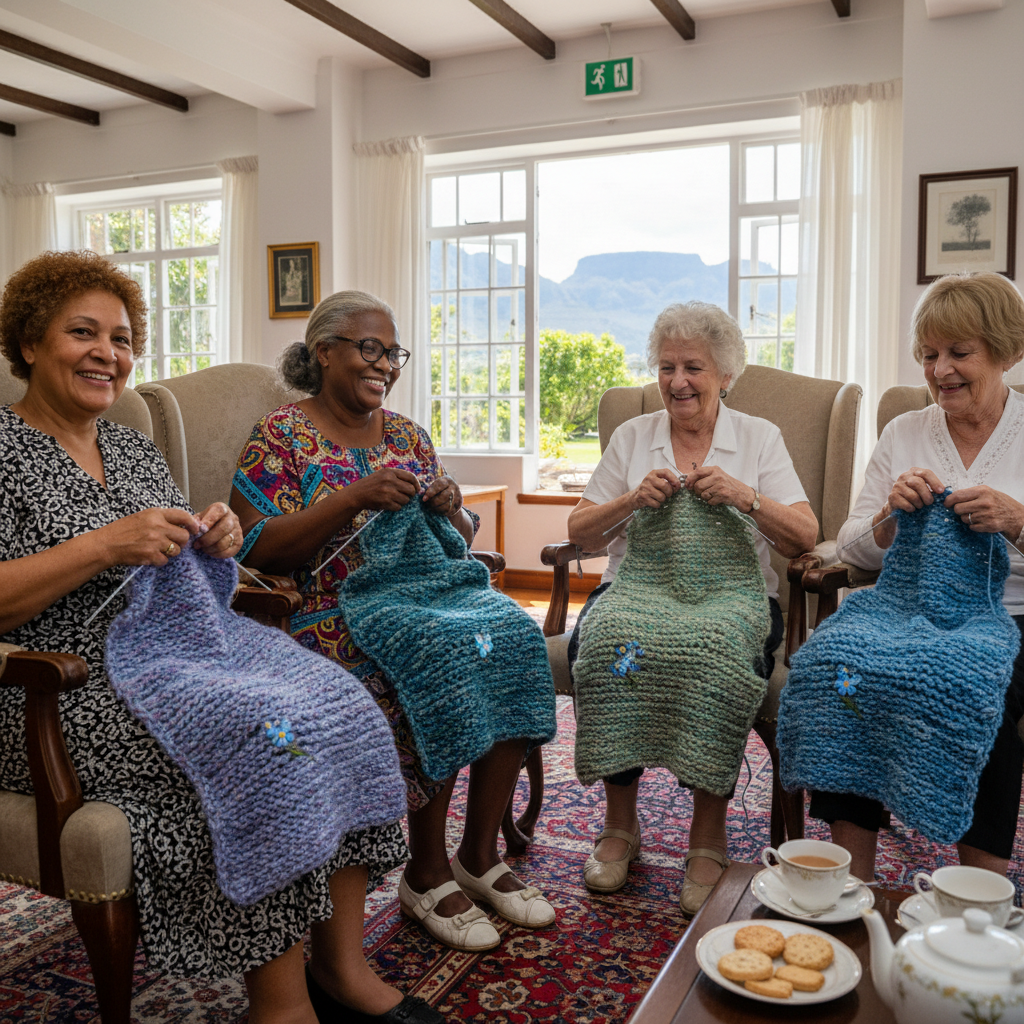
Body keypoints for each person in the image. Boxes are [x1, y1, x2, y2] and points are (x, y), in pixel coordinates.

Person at [0, 252, 440, 1024]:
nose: (109, 352)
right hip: (61, 684)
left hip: (181, 653)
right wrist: (106, 544)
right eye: (83, 332)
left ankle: (339, 963)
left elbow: (173, 551)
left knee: (341, 704)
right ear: (30, 342)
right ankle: (279, 1000)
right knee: (265, 741)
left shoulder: (130, 445)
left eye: (123, 337)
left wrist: (219, 535)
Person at [230, 290, 555, 954]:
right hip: (325, 612)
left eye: (393, 352)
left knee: (515, 640)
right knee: (437, 653)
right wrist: (352, 498)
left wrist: (452, 504)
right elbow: (254, 545)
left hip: (426, 593)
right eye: (368, 348)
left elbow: (458, 539)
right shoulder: (281, 435)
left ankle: (478, 853)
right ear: (323, 352)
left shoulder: (408, 435)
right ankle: (426, 871)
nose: (384, 364)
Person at [565, 301, 818, 916]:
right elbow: (580, 534)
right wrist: (629, 500)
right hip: (640, 591)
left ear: (726, 374)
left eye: (694, 368)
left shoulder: (759, 438)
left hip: (731, 597)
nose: (678, 381)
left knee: (717, 656)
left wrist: (746, 496)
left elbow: (806, 535)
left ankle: (707, 837)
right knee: (606, 647)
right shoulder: (633, 438)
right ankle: (619, 826)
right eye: (667, 366)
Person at [818, 271, 1024, 882]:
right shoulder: (905, 431)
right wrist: (889, 517)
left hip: (1008, 618)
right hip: (906, 610)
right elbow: (852, 546)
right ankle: (849, 881)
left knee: (973, 683)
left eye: (960, 353)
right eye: (929, 355)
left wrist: (1018, 522)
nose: (940, 371)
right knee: (841, 668)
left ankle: (977, 893)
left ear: (1007, 351)